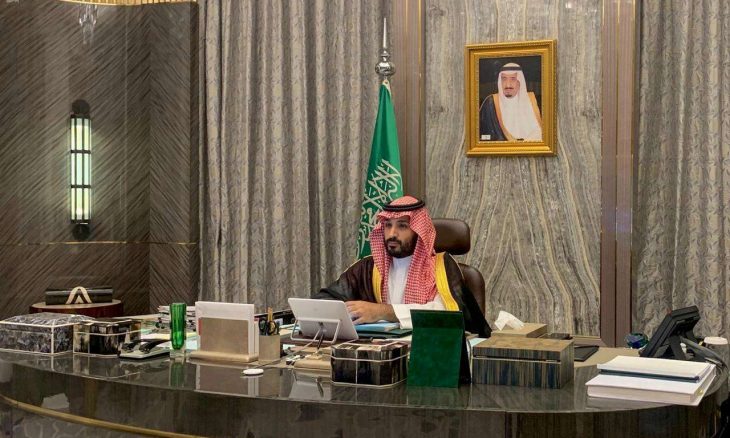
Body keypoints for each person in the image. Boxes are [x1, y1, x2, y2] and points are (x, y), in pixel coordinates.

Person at [313, 196, 491, 337]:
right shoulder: (369, 268)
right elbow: (325, 299)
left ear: (419, 232)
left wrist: (383, 312)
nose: (392, 234)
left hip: (428, 354)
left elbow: (446, 313)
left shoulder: (441, 266)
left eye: (402, 226)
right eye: (387, 225)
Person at [479, 62, 543, 141]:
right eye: (504, 79)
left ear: (520, 81)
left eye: (513, 79)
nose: (508, 85)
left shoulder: (535, 102)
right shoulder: (490, 103)